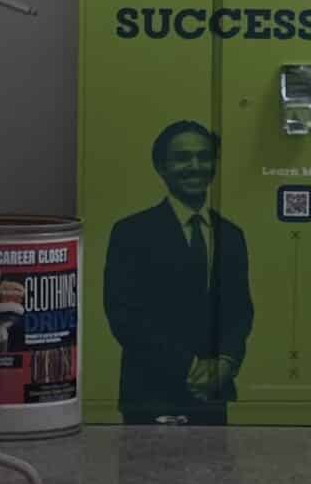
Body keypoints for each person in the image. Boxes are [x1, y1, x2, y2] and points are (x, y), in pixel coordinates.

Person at [102, 121, 253, 424]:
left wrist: (225, 363)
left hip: (213, 393)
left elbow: (239, 310)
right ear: (162, 167)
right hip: (149, 391)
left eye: (204, 156)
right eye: (182, 158)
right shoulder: (131, 232)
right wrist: (189, 367)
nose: (195, 166)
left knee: (218, 472)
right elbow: (124, 315)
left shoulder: (231, 234)